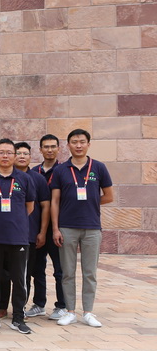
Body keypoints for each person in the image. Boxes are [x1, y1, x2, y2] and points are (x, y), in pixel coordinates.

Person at [50, 129, 114, 328]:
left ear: (88, 144)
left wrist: (90, 203)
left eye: (82, 142)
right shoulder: (60, 170)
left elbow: (109, 196)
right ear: (68, 145)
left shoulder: (99, 168)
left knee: (90, 272)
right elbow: (54, 201)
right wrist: (55, 229)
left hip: (92, 227)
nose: (78, 145)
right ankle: (70, 311)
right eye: (74, 142)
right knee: (67, 272)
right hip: (67, 227)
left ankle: (88, 312)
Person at [0, 139, 35, 334]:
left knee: (19, 280)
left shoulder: (24, 179)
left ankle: (18, 317)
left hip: (18, 237)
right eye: (1, 152)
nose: (5, 156)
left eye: (9, 152)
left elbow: (29, 206)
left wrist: (16, 221)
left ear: (15, 156)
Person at [26, 134, 66, 320]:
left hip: (58, 228)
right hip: (38, 228)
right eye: (46, 147)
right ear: (40, 150)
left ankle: (62, 305)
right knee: (37, 269)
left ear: (59, 148)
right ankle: (39, 304)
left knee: (60, 269)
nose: (49, 150)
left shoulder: (65, 170)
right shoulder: (34, 173)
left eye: (53, 146)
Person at [12, 142, 52, 322]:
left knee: (27, 273)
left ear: (30, 156)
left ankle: (24, 307)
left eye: (25, 153)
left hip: (30, 234)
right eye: (18, 153)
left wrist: (42, 232)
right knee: (7, 273)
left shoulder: (38, 179)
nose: (22, 156)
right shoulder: (4, 176)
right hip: (7, 234)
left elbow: (45, 206)